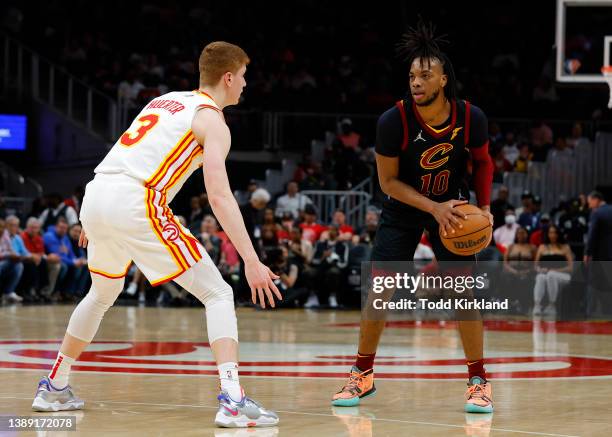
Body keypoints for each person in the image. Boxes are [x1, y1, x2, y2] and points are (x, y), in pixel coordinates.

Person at [31, 41, 280, 428]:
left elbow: (122, 156)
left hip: (97, 193)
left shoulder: (166, 101)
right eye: (244, 77)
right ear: (228, 77)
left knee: (101, 293)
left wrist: (96, 218)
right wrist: (251, 260)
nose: (245, 85)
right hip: (136, 200)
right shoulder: (212, 120)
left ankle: (54, 387)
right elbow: (218, 195)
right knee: (219, 292)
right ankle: (233, 400)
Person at [331, 20, 495, 413]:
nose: (416, 82)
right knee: (381, 290)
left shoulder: (471, 117)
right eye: (412, 76)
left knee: (464, 293)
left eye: (425, 75)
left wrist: (485, 208)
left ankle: (478, 380)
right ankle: (362, 374)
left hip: (454, 206)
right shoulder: (393, 121)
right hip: (405, 206)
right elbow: (388, 182)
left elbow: (484, 162)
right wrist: (432, 208)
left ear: (443, 80)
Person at [533, 225, 573, 316]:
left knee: (551, 274)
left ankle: (552, 305)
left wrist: (555, 270)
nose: (553, 235)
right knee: (540, 277)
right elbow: (535, 265)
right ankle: (537, 305)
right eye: (550, 232)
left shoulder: (565, 247)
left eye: (555, 232)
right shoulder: (542, 247)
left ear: (558, 234)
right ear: (547, 234)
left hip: (563, 275)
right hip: (546, 273)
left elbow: (570, 267)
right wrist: (540, 269)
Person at [0, 218, 24, 303]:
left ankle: (8, 292)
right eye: (0, 227)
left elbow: (10, 249)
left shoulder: (5, 236)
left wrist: (16, 255)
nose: (1, 229)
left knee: (19, 265)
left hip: (5, 260)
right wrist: (10, 254)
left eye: (3, 227)